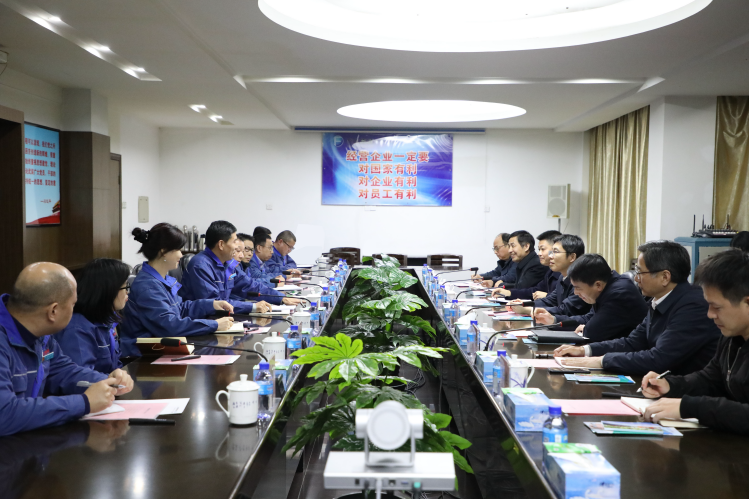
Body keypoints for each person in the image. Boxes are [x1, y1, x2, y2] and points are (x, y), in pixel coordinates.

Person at [0, 262, 133, 436]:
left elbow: (63, 371)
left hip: (25, 438)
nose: (75, 310)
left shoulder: (42, 334)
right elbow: (4, 414)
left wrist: (109, 382)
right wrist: (84, 402)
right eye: (73, 304)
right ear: (53, 311)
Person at [554, 241, 720, 374]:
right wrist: (586, 350)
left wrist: (601, 361)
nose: (636, 278)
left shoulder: (693, 306)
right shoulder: (659, 300)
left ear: (664, 277)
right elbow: (633, 342)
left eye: (640, 272)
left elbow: (659, 359)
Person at [641, 249, 749, 435]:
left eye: (717, 307)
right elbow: (710, 379)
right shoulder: (731, 336)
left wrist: (690, 407)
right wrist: (670, 385)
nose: (710, 314)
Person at [120, 224, 236, 358]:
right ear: (163, 252)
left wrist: (211, 304)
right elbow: (170, 326)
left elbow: (180, 309)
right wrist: (214, 325)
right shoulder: (147, 286)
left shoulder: (162, 279)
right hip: (144, 357)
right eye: (178, 249)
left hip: (162, 350)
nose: (181, 255)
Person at [180, 220, 297, 310]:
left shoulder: (227, 264)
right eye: (234, 241)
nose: (237, 247)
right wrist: (252, 307)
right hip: (203, 324)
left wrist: (281, 298)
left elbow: (250, 286)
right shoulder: (201, 265)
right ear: (221, 245)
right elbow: (215, 305)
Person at [534, 253, 648, 341]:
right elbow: (587, 319)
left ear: (598, 285)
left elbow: (593, 332)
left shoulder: (619, 293)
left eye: (578, 288)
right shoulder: (607, 285)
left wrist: (586, 328)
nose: (575, 293)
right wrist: (553, 320)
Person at [56, 258, 131, 374]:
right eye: (125, 287)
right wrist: (112, 380)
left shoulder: (106, 319)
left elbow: (116, 365)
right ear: (108, 290)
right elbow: (81, 377)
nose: (127, 292)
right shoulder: (77, 329)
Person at [505, 234, 591, 323]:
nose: (550, 256)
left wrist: (529, 310)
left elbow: (566, 310)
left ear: (572, 257)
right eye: (551, 252)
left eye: (555, 252)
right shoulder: (562, 277)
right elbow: (549, 300)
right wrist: (525, 304)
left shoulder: (582, 280)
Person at [492, 230, 561, 298]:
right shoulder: (550, 272)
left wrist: (546, 296)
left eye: (542, 249)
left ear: (526, 246)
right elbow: (535, 290)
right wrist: (509, 293)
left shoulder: (537, 264)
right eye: (539, 249)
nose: (539, 253)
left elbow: (558, 300)